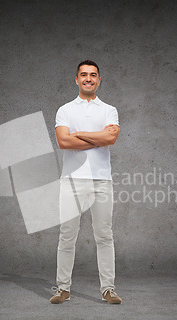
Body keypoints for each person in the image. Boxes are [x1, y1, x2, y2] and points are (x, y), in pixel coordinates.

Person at [50, 60, 122, 304]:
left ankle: (108, 289)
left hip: (101, 180)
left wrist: (78, 134)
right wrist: (97, 138)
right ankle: (62, 288)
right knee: (67, 235)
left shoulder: (109, 110)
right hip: (71, 181)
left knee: (104, 235)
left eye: (93, 75)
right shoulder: (65, 110)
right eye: (83, 75)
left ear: (99, 80)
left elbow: (111, 138)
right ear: (76, 79)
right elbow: (63, 142)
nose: (88, 78)